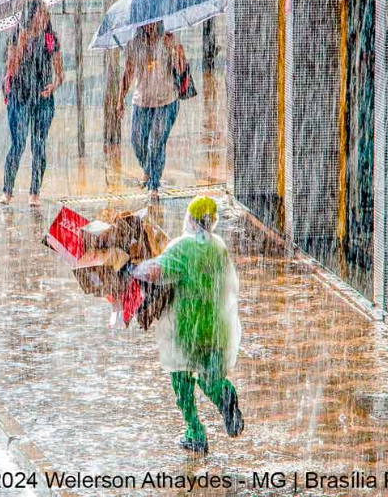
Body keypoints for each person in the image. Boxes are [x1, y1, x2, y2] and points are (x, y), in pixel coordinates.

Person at [133, 196, 243, 454]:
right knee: (209, 376)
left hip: (187, 327)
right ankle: (223, 393)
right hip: (216, 328)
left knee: (182, 380)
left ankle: (195, 432)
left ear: (191, 219)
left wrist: (131, 268)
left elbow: (155, 272)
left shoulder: (182, 247)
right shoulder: (218, 247)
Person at [0, 0, 64, 207]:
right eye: (41, 14)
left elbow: (60, 74)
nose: (45, 17)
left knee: (39, 145)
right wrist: (22, 43)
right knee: (18, 144)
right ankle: (7, 191)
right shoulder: (16, 36)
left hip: (43, 100)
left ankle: (34, 192)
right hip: (19, 98)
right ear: (31, 15)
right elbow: (12, 69)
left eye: (47, 14)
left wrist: (53, 86)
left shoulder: (50, 39)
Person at [117, 22, 186, 200]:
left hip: (167, 100)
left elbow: (181, 69)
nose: (150, 25)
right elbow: (127, 73)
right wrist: (120, 100)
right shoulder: (134, 45)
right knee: (137, 141)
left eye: (153, 21)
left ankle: (153, 185)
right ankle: (149, 169)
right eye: (146, 22)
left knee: (156, 142)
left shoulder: (168, 40)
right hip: (142, 101)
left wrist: (176, 50)